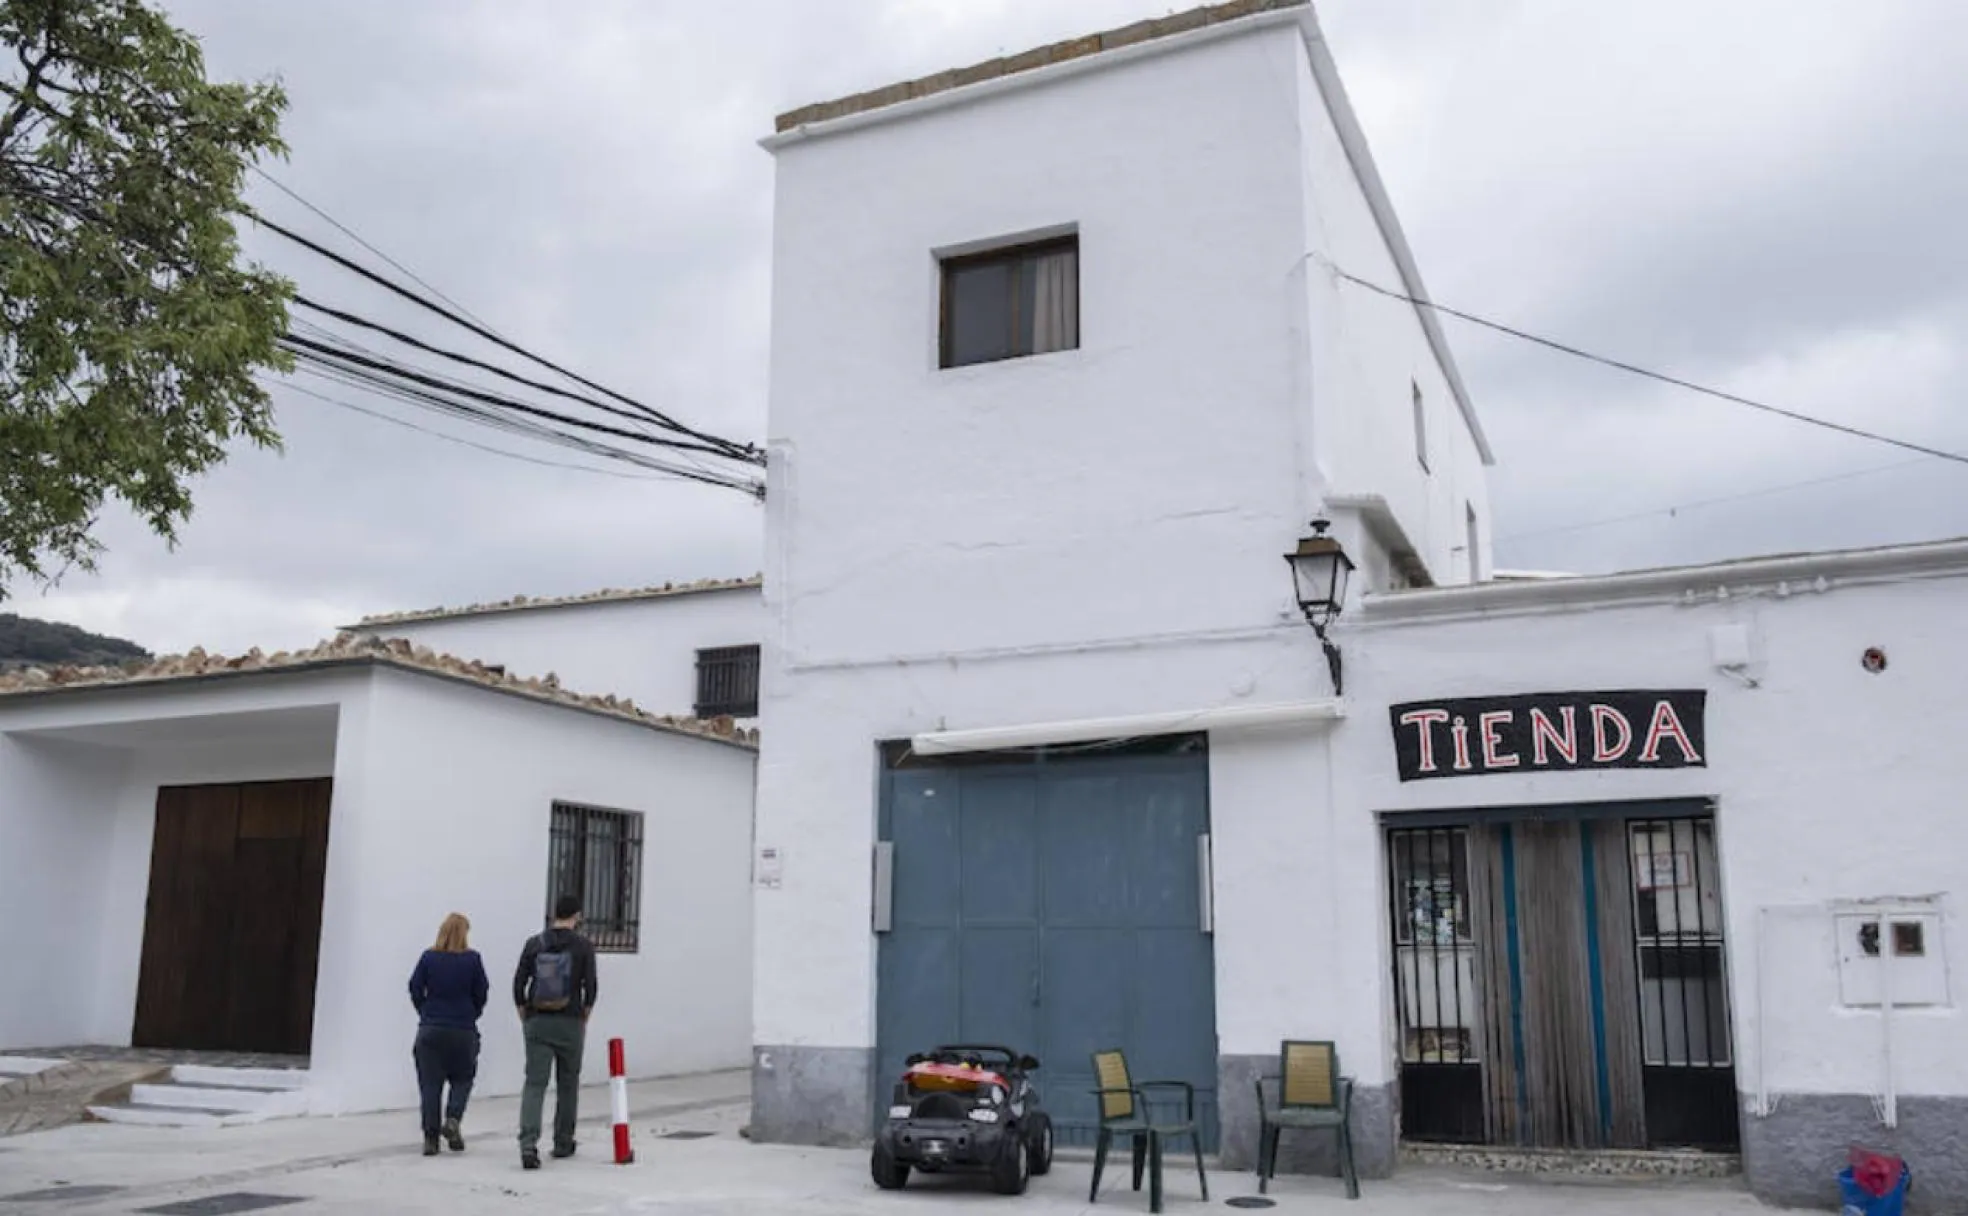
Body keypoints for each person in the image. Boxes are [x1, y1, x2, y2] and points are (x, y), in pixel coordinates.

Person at [513, 893, 598, 1169]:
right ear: (577, 916)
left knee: (535, 1083)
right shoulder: (583, 946)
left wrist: (525, 1013)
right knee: (568, 1082)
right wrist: (583, 1015)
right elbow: (591, 988)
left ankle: (528, 1143)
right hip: (570, 1021)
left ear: (553, 915)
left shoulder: (534, 943)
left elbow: (518, 984)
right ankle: (563, 1141)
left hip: (538, 1021)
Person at [407, 912, 490, 1156]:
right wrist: (471, 1013)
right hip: (463, 1029)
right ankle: (453, 1119)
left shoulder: (428, 958)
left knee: (430, 1085)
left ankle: (430, 1138)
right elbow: (482, 992)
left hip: (430, 1029)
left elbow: (414, 987)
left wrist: (425, 1011)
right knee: (463, 1079)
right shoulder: (473, 960)